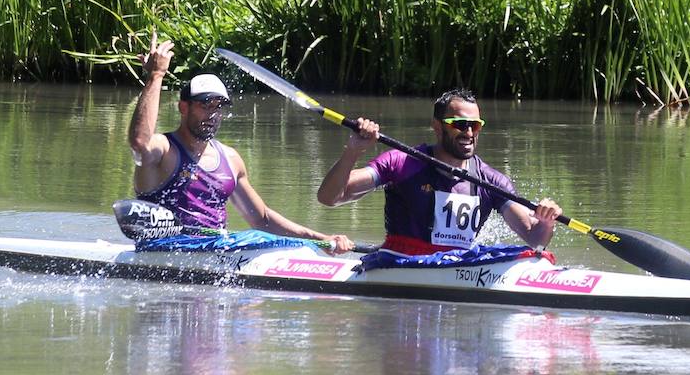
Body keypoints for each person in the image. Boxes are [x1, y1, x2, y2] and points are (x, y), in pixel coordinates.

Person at [129, 35, 353, 249]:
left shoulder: (231, 159)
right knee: (253, 239)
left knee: (265, 239)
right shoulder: (164, 149)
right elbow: (140, 143)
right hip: (165, 250)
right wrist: (156, 75)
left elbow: (262, 219)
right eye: (205, 105)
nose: (213, 114)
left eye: (219, 107)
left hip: (217, 251)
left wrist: (319, 239)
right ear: (183, 107)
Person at [316, 89, 561, 255]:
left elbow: (535, 239)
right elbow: (329, 197)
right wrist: (353, 151)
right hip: (401, 262)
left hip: (458, 266)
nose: (468, 132)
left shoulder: (491, 180)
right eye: (459, 125)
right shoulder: (401, 163)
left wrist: (547, 221)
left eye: (475, 125)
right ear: (437, 126)